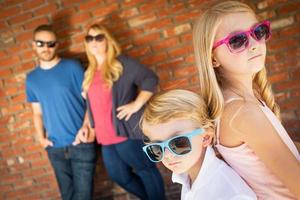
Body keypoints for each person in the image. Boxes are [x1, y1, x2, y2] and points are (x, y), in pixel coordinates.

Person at [193, 1, 300, 199]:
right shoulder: (243, 112)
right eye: (237, 40)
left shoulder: (240, 100)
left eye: (258, 31)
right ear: (213, 58)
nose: (254, 44)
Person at [82, 24, 165, 200]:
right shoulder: (89, 72)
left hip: (126, 133)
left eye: (99, 37)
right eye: (89, 38)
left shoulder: (121, 64)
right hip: (105, 138)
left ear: (108, 40)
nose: (94, 42)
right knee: (120, 176)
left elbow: (150, 79)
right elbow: (93, 105)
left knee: (146, 171)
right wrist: (87, 125)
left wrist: (136, 104)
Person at [140, 89, 257, 200]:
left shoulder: (231, 195)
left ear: (205, 137)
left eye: (178, 142)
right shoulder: (189, 177)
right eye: (156, 148)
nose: (167, 155)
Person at [26, 24, 96, 200]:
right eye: (41, 43)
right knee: (67, 196)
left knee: (83, 196)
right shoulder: (32, 78)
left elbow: (91, 101)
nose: (46, 48)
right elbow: (37, 112)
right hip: (55, 147)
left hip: (81, 142)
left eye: (50, 44)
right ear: (33, 45)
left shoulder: (72, 67)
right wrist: (41, 138)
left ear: (57, 45)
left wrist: (87, 126)